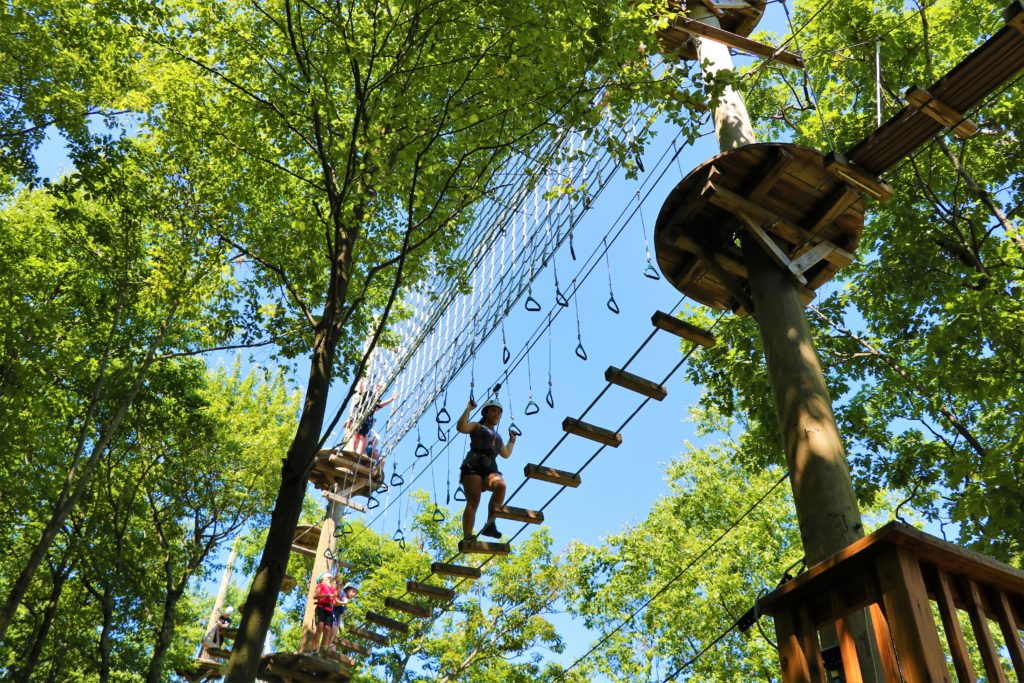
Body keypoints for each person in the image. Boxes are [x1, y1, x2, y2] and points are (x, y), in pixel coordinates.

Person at [455, 397, 517, 540]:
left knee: (501, 485)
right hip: (473, 466)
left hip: (489, 469)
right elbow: (461, 427)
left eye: (499, 413)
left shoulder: (498, 437)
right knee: (473, 501)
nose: (497, 414)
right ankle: (468, 536)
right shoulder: (477, 426)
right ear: (486, 413)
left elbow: (505, 454)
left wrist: (512, 440)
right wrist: (468, 410)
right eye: (493, 411)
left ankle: (490, 524)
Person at [311, 573, 340, 653]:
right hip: (321, 608)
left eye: (329, 579)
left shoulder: (332, 589)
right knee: (320, 626)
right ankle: (313, 648)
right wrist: (327, 595)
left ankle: (323, 649)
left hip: (329, 610)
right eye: (327, 578)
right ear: (322, 579)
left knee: (327, 629)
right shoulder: (320, 586)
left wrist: (337, 581)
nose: (329, 580)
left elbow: (336, 596)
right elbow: (315, 595)